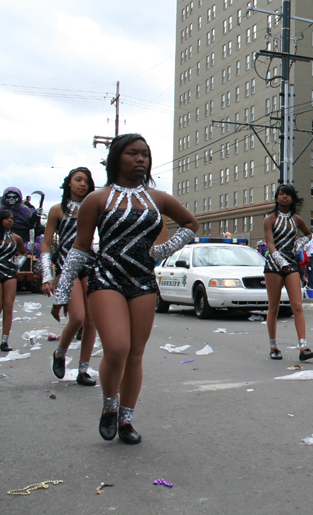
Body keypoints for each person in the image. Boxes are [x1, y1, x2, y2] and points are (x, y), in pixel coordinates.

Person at [51, 133, 199, 444]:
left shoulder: (158, 198)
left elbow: (191, 224)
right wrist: (63, 292)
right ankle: (109, 405)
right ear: (118, 157)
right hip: (106, 278)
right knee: (117, 348)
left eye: (145, 154)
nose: (141, 159)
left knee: (135, 354)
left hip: (143, 280)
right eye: (133, 153)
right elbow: (79, 249)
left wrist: (161, 251)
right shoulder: (97, 199)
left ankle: (127, 419)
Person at [41, 167, 98, 385]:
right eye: (78, 180)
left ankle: (83, 370)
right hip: (66, 266)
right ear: (69, 184)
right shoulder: (57, 210)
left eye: (86, 181)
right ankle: (60, 353)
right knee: (77, 317)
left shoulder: (94, 209)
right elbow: (46, 245)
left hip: (89, 264)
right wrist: (47, 275)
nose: (83, 184)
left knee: (92, 320)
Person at [263, 184, 313, 363]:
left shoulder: (296, 219)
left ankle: (303, 347)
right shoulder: (269, 219)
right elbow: (270, 244)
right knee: (274, 307)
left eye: (287, 194)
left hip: (292, 263)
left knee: (297, 305)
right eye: (281, 194)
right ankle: (274, 346)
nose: (284, 197)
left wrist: (300, 242)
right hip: (274, 265)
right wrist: (281, 262)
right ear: (276, 197)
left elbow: (310, 235)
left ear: (293, 198)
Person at [0, 210, 30, 351]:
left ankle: (5, 341)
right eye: (6, 218)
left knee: (8, 305)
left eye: (12, 218)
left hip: (10, 272)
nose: (10, 221)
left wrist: (18, 263)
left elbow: (25, 252)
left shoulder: (16, 238)